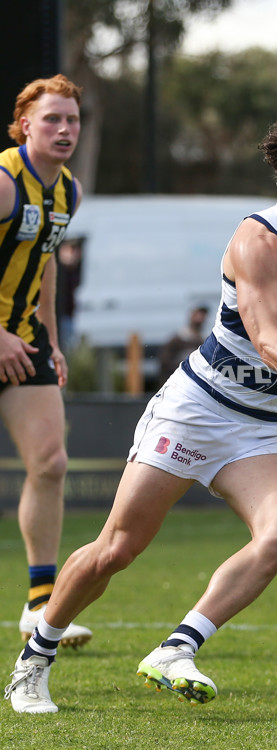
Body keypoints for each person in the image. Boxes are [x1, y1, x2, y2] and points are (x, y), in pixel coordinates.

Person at [5, 105, 277, 713]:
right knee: (118, 549)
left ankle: (176, 648)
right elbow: (268, 340)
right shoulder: (259, 238)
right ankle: (35, 657)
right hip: (199, 406)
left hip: (262, 424)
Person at [0, 75, 92, 652]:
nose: (64, 129)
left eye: (73, 120)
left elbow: (45, 262)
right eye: (52, 118)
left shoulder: (69, 192)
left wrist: (50, 340)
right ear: (25, 124)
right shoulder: (4, 183)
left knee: (52, 463)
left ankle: (39, 605)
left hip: (24, 339)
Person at [158, 304, 208, 385]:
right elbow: (164, 361)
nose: (200, 318)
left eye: (203, 315)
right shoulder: (178, 339)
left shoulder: (203, 340)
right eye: (197, 314)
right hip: (177, 381)